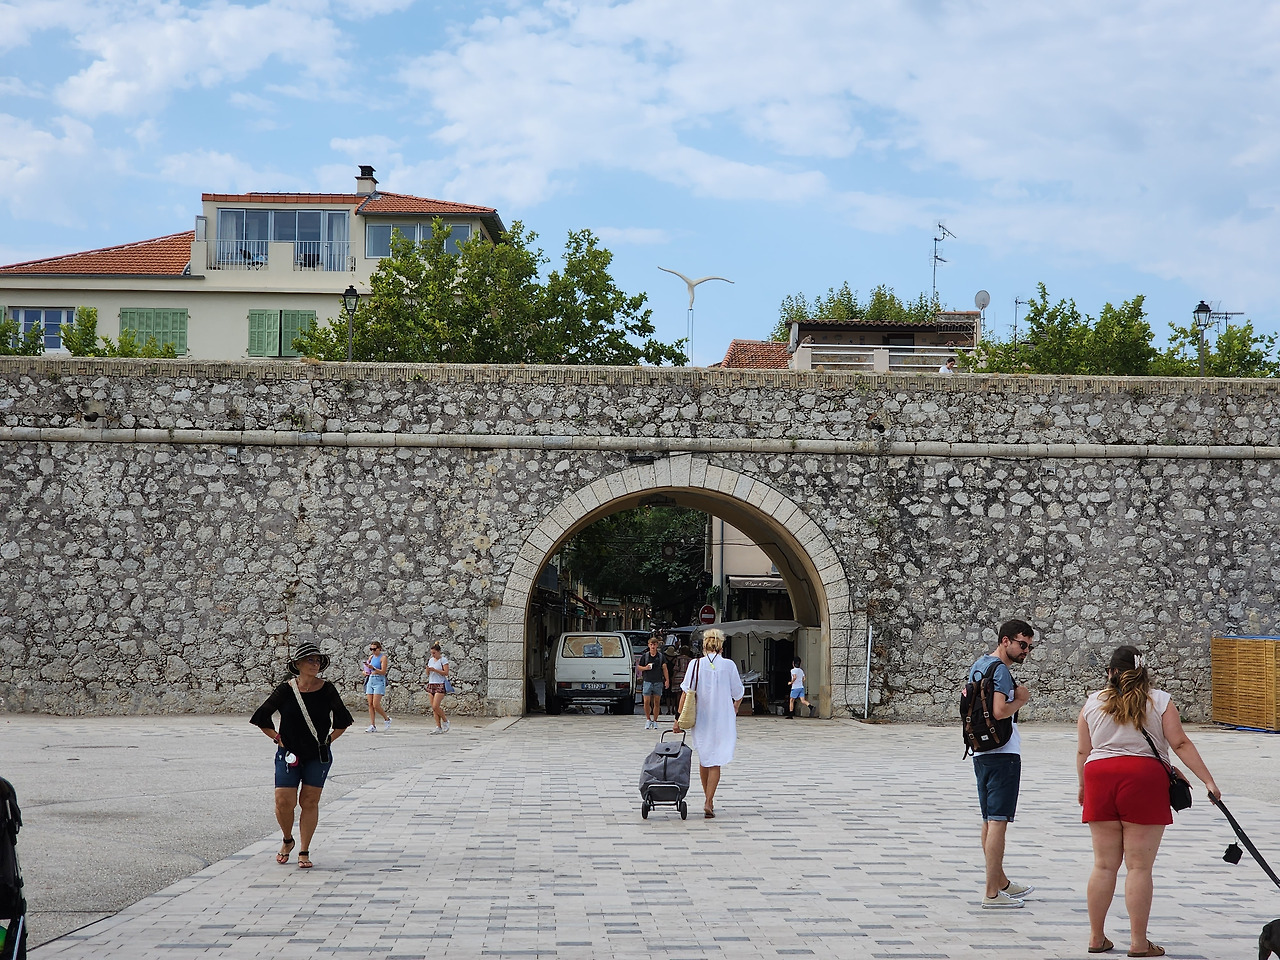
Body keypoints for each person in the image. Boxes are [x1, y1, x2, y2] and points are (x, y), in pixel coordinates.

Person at [1077, 645, 1221, 957]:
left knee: (1103, 865)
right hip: (1144, 780)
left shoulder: (1093, 702)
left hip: (1099, 778)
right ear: (1143, 670)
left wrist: (1082, 786)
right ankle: (1138, 943)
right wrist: (1207, 781)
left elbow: (1083, 751)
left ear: (1111, 672)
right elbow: (1179, 743)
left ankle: (1096, 937)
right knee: (1139, 867)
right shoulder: (1159, 701)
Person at [249, 641, 353, 869]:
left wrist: (328, 741)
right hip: (288, 753)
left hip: (317, 755)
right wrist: (277, 738)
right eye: (310, 660)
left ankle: (304, 850)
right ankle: (288, 839)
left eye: (317, 660)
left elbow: (343, 720)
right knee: (283, 801)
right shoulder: (286, 690)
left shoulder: (327, 689)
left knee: (309, 800)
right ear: (297, 664)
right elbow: (262, 716)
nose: (315, 664)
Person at [967, 618, 1036, 908]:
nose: (1026, 651)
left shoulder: (979, 665)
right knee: (998, 822)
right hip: (1003, 752)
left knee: (988, 820)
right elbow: (998, 711)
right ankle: (992, 894)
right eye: (1022, 644)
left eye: (1029, 647)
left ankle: (1000, 882)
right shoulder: (1002, 671)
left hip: (980, 750)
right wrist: (1021, 700)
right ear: (1005, 641)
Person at [672, 628, 744, 818]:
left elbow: (686, 693)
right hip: (723, 719)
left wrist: (678, 719)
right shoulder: (729, 665)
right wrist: (735, 707)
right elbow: (738, 693)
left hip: (701, 719)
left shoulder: (695, 664)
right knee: (716, 761)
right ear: (721, 646)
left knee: (705, 758)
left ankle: (708, 799)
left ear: (704, 645)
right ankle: (709, 800)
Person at [637, 636, 670, 729]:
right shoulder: (645, 656)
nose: (653, 646)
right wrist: (645, 668)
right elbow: (639, 667)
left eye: (654, 644)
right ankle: (648, 719)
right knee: (646, 701)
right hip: (647, 681)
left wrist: (667, 680)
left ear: (657, 645)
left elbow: (665, 668)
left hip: (658, 681)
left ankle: (655, 720)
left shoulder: (661, 657)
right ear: (648, 645)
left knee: (657, 702)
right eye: (651, 644)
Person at [363, 641, 391, 732]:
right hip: (371, 679)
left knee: (376, 704)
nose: (373, 651)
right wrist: (365, 672)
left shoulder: (383, 658)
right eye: (371, 649)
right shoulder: (371, 657)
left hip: (379, 680)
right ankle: (372, 725)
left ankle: (386, 718)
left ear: (379, 648)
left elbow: (383, 672)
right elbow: (367, 669)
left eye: (374, 649)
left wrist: (374, 668)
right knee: (370, 704)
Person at [426, 642, 451, 735]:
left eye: (434, 653)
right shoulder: (430, 660)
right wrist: (428, 670)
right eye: (431, 653)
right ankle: (438, 726)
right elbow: (428, 674)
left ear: (438, 652)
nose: (433, 655)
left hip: (440, 684)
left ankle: (445, 720)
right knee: (434, 708)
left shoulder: (443, 660)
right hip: (431, 683)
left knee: (435, 706)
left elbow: (446, 672)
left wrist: (435, 670)